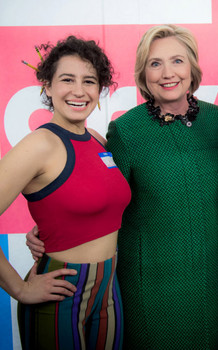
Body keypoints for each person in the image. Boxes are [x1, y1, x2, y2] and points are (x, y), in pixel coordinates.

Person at [28, 25, 218, 349]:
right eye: (155, 63)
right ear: (143, 73)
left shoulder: (217, 119)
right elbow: (104, 197)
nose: (167, 72)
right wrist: (48, 229)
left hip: (215, 281)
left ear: (192, 67)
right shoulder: (126, 130)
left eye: (177, 61)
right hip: (152, 286)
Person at [4, 36, 131, 350]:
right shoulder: (39, 145)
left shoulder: (98, 141)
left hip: (109, 290)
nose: (78, 90)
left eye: (89, 81)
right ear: (47, 86)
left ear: (99, 89)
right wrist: (20, 289)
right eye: (66, 79)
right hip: (60, 291)